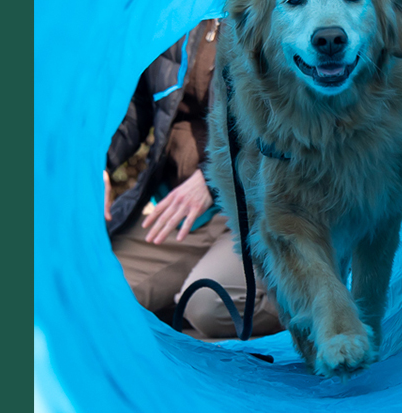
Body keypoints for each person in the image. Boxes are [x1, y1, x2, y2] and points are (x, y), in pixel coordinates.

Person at [104, 19, 282, 339]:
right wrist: (98, 165)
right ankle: (177, 299)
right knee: (99, 295)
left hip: (259, 209)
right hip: (180, 210)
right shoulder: (172, 13)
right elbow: (135, 108)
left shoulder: (279, 10)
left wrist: (211, 178)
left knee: (208, 307)